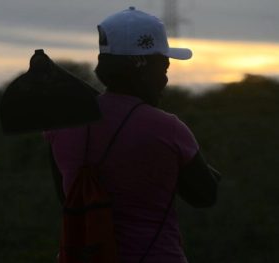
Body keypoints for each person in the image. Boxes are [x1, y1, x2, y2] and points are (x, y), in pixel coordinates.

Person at [44, 7, 219, 263]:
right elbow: (205, 196)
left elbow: (69, 198)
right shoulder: (168, 129)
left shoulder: (61, 125)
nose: (165, 79)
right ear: (142, 66)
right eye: (164, 68)